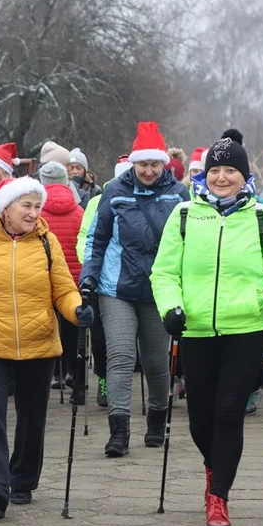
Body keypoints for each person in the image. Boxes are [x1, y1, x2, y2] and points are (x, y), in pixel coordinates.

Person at [152, 129, 263, 526]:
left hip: (247, 329)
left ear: (243, 175)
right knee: (200, 419)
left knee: (229, 411)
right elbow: (164, 272)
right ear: (204, 175)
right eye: (214, 170)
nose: (221, 177)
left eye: (229, 170)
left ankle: (218, 497)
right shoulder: (184, 215)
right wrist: (171, 309)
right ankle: (213, 468)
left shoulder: (261, 216)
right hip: (196, 330)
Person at [0, 177, 93, 519]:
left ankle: (22, 478)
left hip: (38, 345)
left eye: (37, 206)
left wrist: (77, 309)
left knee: (31, 418)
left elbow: (64, 291)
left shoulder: (47, 243)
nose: (33, 213)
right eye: (26, 206)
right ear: (5, 209)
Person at [81, 122, 189, 456]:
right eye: (143, 164)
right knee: (122, 356)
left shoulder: (179, 195)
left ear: (163, 164)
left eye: (155, 164)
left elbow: (189, 243)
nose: (149, 170)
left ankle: (157, 419)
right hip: (116, 287)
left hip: (159, 288)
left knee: (156, 362)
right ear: (134, 163)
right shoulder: (114, 191)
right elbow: (97, 239)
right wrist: (89, 279)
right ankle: (119, 432)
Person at [76, 156, 132, 408]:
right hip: (104, 279)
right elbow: (86, 236)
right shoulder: (99, 200)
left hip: (137, 279)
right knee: (99, 336)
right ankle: (104, 378)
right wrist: (90, 268)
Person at [39, 161, 86, 402]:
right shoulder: (80, 212)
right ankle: (77, 380)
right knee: (73, 329)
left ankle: (51, 373)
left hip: (44, 280)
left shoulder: (37, 213)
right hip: (74, 281)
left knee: (48, 328)